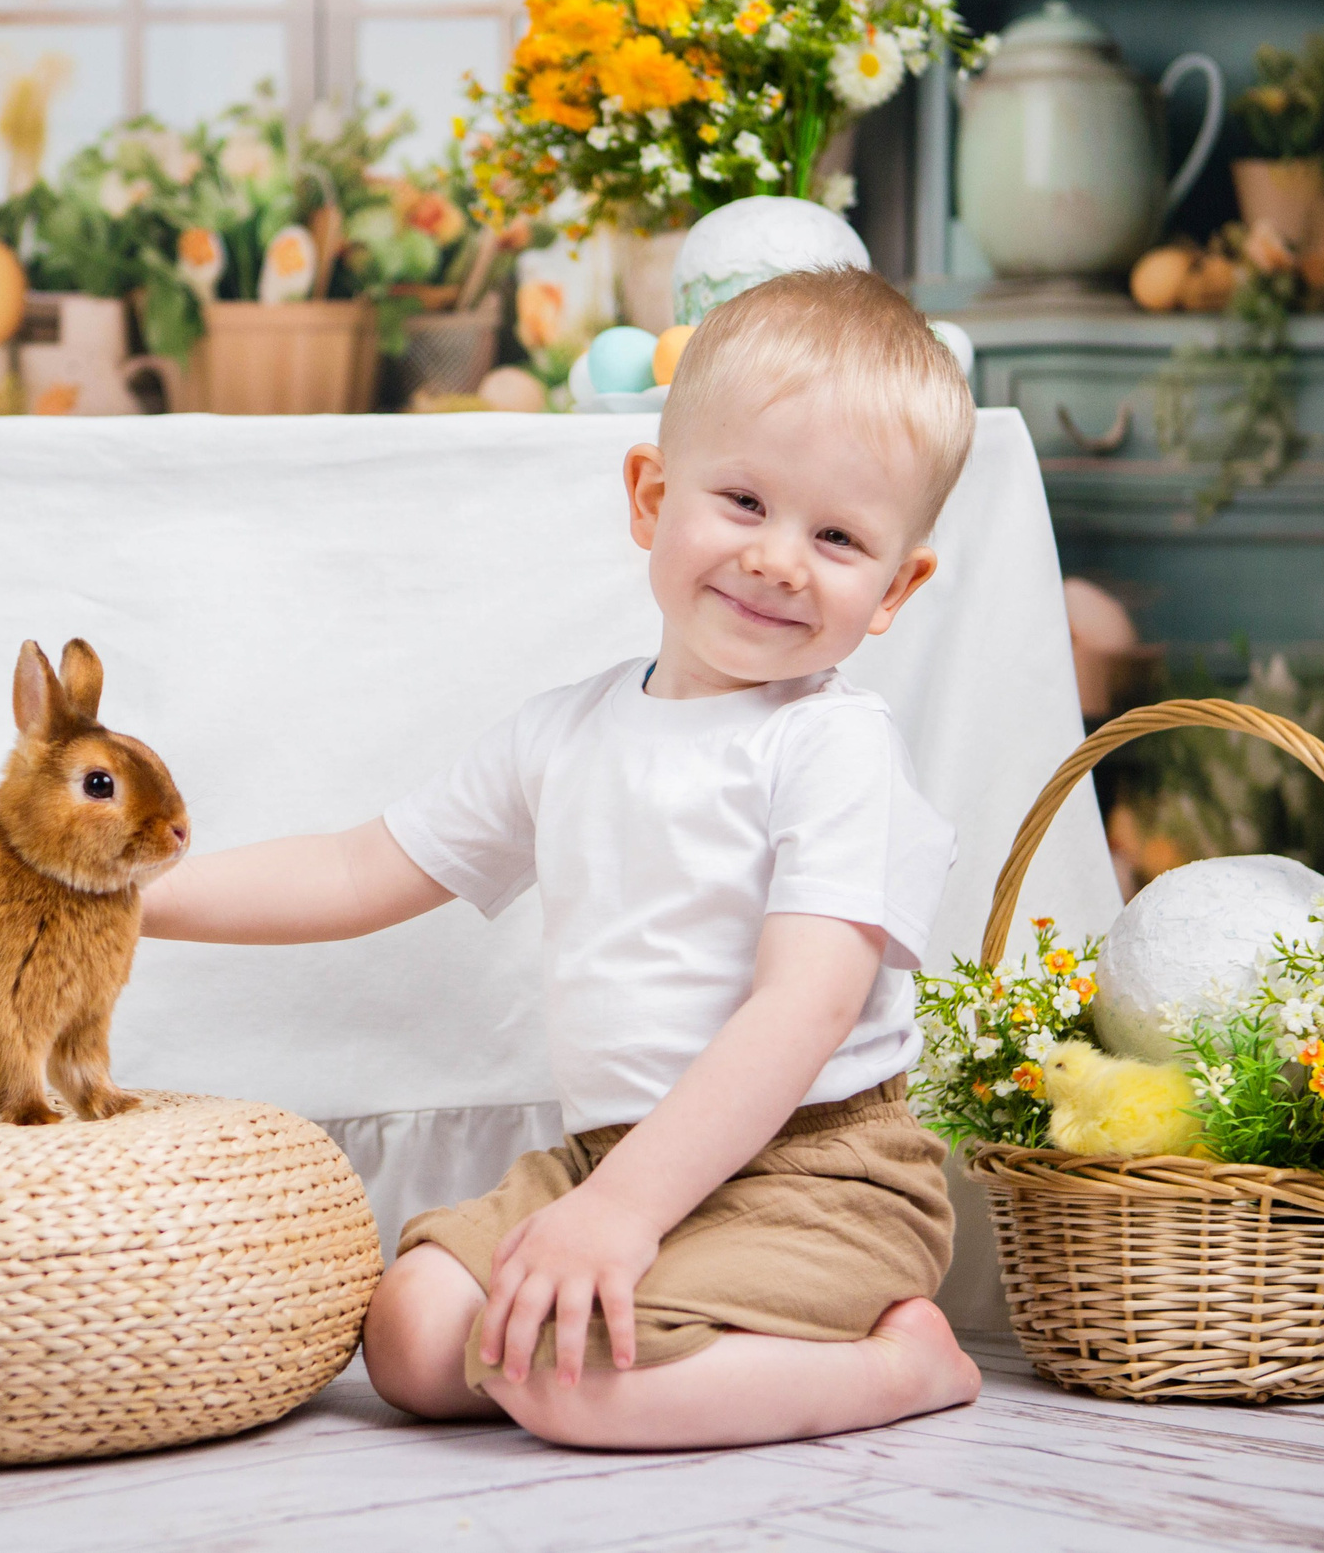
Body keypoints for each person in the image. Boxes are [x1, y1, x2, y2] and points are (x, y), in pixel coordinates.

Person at [139, 266, 982, 1450]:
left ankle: (899, 1365)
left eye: (837, 536)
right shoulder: (566, 731)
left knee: (564, 1381)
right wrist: (132, 896)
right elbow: (356, 867)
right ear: (651, 495)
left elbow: (804, 1010)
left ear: (896, 585)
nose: (779, 558)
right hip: (610, 1155)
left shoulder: (830, 746)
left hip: (812, 1170)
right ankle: (700, 1317)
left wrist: (625, 1212)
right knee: (413, 1336)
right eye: (744, 500)